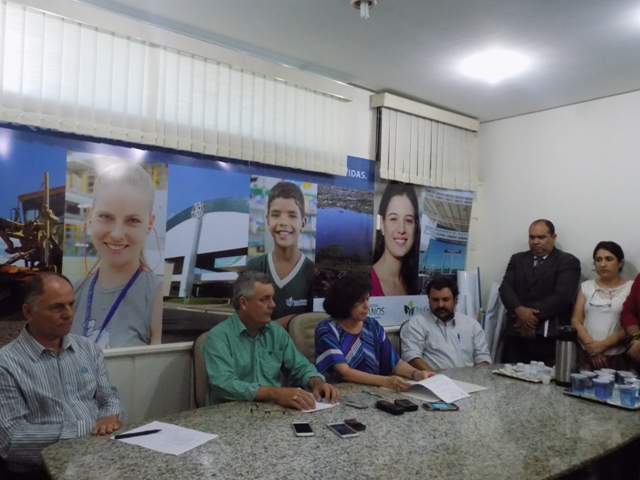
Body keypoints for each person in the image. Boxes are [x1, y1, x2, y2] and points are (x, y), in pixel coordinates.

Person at [0, 273, 121, 478]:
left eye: (71, 304)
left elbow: (108, 397)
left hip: (95, 457)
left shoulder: (88, 349)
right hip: (40, 471)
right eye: (57, 307)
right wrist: (88, 429)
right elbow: (11, 439)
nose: (69, 314)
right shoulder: (6, 363)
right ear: (28, 312)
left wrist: (110, 416)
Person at [203, 271, 338, 409]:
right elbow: (224, 384)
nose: (273, 305)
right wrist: (274, 393)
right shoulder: (218, 337)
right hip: (229, 412)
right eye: (264, 299)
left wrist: (317, 382)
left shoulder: (276, 332)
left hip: (270, 412)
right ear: (243, 303)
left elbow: (300, 367)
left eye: (272, 298)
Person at [71, 162, 163, 348]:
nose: (117, 234)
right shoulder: (72, 293)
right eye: (106, 217)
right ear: (90, 215)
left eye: (132, 220)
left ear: (150, 224)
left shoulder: (157, 298)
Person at [315, 272, 433, 392]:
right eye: (360, 300)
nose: (366, 306)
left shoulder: (372, 325)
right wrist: (385, 381)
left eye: (367, 299)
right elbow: (344, 372)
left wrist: (416, 373)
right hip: (340, 393)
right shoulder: (327, 329)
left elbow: (394, 363)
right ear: (344, 301)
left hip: (374, 391)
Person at [499, 219, 581, 365]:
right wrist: (520, 311)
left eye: (541, 237)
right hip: (516, 335)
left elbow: (562, 297)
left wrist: (529, 319)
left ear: (553, 237)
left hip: (549, 337)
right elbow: (505, 288)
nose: (535, 242)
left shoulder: (567, 261)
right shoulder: (518, 259)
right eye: (532, 237)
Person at [246, 181, 314, 328]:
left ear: (303, 223)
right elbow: (248, 325)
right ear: (267, 220)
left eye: (292, 215)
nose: (283, 222)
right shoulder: (254, 267)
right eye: (276, 215)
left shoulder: (314, 273)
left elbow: (312, 326)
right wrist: (292, 321)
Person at [401, 276, 491, 371]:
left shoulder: (471, 325)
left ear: (455, 300)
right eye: (435, 300)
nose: (440, 305)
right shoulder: (417, 324)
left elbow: (482, 357)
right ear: (429, 300)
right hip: (432, 378)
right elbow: (411, 357)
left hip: (468, 378)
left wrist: (477, 377)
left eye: (445, 299)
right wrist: (435, 377)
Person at [570, 242, 631, 370]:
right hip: (586, 353)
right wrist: (592, 347)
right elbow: (576, 320)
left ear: (620, 262)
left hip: (618, 354)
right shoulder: (586, 286)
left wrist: (603, 345)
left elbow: (633, 324)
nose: (603, 264)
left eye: (609, 259)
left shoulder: (631, 287)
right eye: (598, 260)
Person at [371, 183, 421, 296]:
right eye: (393, 219)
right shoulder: (366, 284)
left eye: (408, 220)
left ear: (416, 226)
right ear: (382, 224)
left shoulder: (414, 284)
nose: (401, 229)